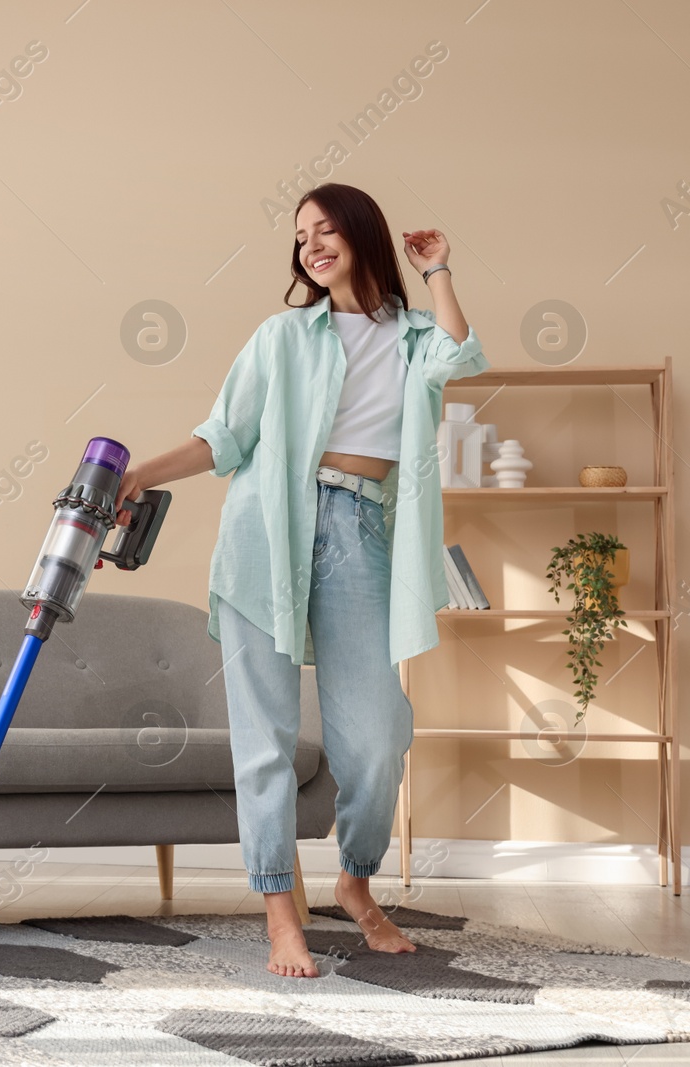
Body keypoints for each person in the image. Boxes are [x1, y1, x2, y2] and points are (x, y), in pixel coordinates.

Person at [112, 182, 487, 978]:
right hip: (265, 534)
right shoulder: (281, 336)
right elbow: (223, 437)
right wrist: (142, 471)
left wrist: (439, 270)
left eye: (326, 229)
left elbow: (462, 352)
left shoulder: (414, 337)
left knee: (377, 732)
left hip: (360, 530)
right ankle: (281, 911)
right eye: (301, 235)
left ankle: (353, 881)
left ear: (359, 233)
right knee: (266, 737)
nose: (311, 244)